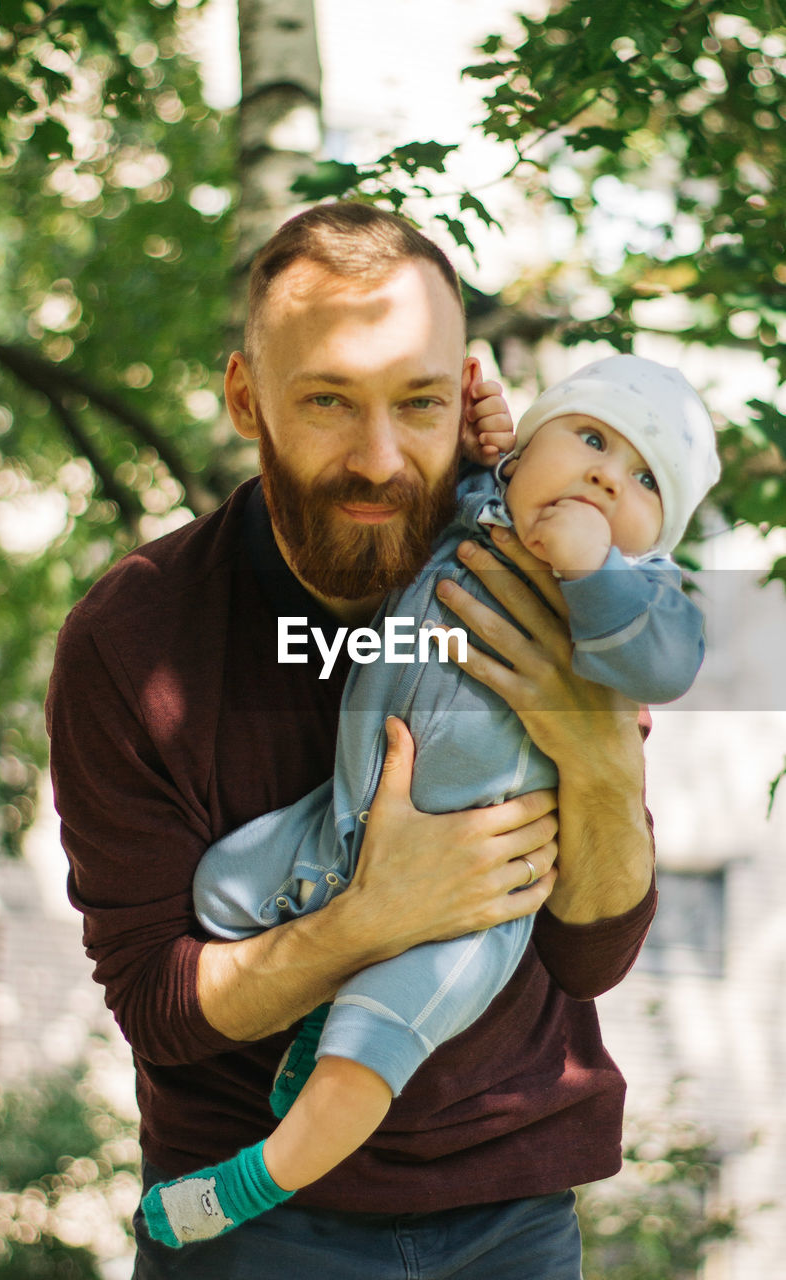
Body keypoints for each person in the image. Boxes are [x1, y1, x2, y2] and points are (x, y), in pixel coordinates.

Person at [46, 201, 662, 1280]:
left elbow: (588, 951)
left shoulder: (530, 577)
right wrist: (371, 916)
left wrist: (601, 754)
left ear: (460, 394)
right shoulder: (132, 639)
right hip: (247, 1223)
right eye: (329, 400)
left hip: (513, 1210)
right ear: (247, 395)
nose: (379, 458)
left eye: (416, 403)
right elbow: (157, 1002)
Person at [141, 353, 720, 1250]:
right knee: (220, 890)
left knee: (365, 1062)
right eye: (593, 437)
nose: (608, 473)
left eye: (646, 479)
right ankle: (310, 1029)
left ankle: (245, 1185)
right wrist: (477, 428)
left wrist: (594, 572)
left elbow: (667, 661)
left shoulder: (638, 597)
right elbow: (433, 461)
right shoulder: (476, 511)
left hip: (477, 910)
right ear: (523, 456)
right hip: (345, 821)